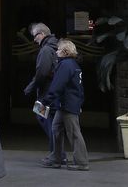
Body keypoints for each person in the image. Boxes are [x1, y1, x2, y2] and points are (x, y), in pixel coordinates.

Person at [41, 39, 89, 171]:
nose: (56, 52)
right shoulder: (73, 64)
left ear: (65, 52)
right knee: (56, 128)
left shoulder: (65, 65)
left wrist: (45, 101)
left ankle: (81, 162)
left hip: (68, 104)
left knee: (74, 132)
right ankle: (56, 158)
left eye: (58, 49)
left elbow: (57, 85)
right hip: (66, 104)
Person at [23, 22, 60, 160]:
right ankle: (56, 153)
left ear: (42, 34)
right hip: (54, 92)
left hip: (47, 93)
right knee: (52, 122)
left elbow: (41, 73)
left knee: (44, 118)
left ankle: (56, 154)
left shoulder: (45, 50)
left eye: (35, 36)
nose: (34, 39)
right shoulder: (55, 46)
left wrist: (30, 88)